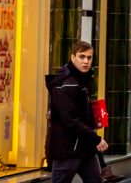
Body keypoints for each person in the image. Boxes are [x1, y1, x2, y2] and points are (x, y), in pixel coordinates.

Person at [46, 41, 107, 183]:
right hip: (68, 150)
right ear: (73, 58)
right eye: (82, 57)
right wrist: (95, 138)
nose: (86, 61)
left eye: (89, 57)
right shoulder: (67, 84)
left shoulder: (81, 79)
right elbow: (71, 121)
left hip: (84, 149)